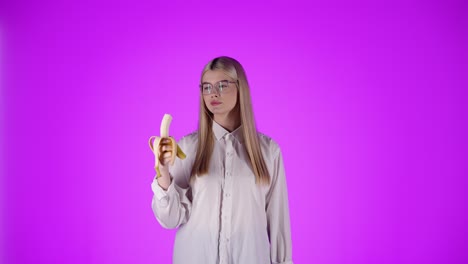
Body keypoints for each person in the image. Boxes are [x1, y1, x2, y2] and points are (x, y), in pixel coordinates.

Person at [150, 56, 293, 264]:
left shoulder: (269, 152)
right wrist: (162, 170)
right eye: (206, 87)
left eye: (222, 85)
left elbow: (279, 223)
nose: (213, 93)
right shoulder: (187, 148)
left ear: (240, 87)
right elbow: (170, 219)